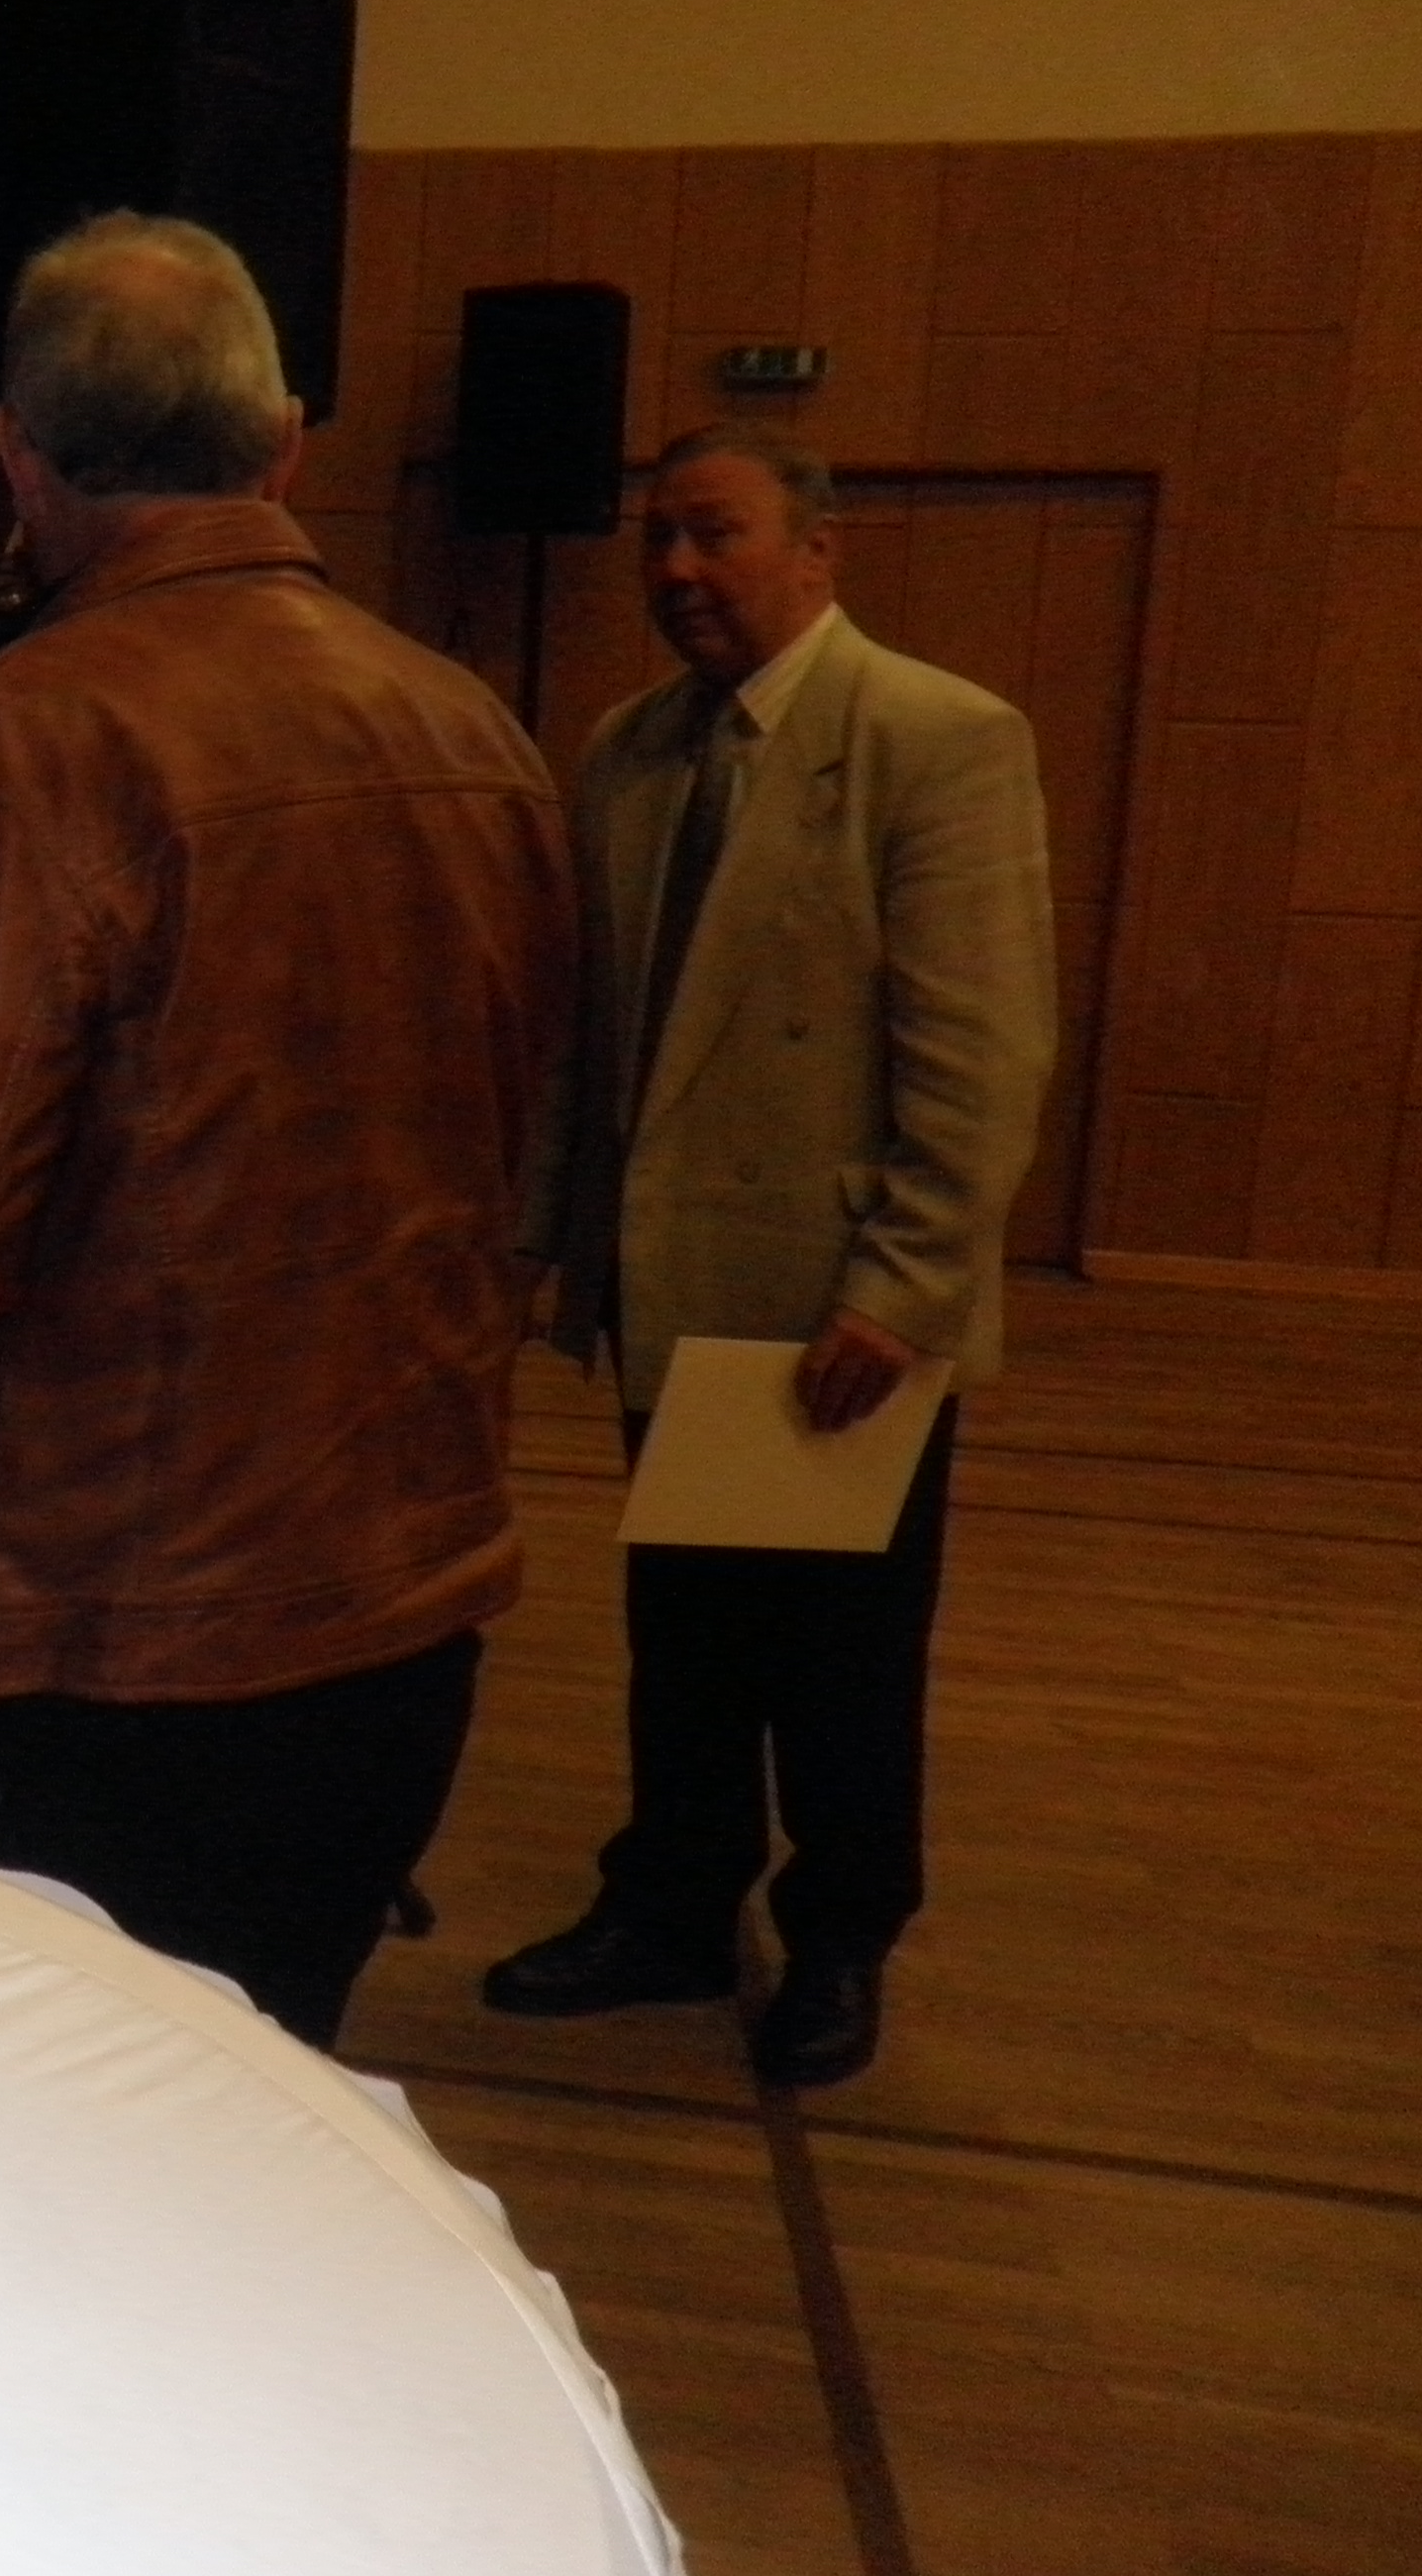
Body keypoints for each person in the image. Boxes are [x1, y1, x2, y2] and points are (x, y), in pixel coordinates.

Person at [0, 212, 568, 2053]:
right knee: (276, 2095)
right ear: (287, 445)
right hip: (406, 1605)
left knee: (55, 2132)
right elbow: (515, 1158)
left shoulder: (22, 746)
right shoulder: (475, 730)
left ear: (17, 458)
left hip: (105, 1630)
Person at [485, 421, 1053, 2088]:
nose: (676, 569)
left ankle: (842, 1940)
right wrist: (534, 1244)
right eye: (656, 538)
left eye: (714, 533)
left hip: (835, 1309)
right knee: (687, 1638)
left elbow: (984, 1054)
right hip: (673, 1284)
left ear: (818, 547)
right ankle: (672, 1903)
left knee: (844, 1664)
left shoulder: (936, 738)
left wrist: (904, 1288)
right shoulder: (633, 749)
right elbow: (586, 1034)